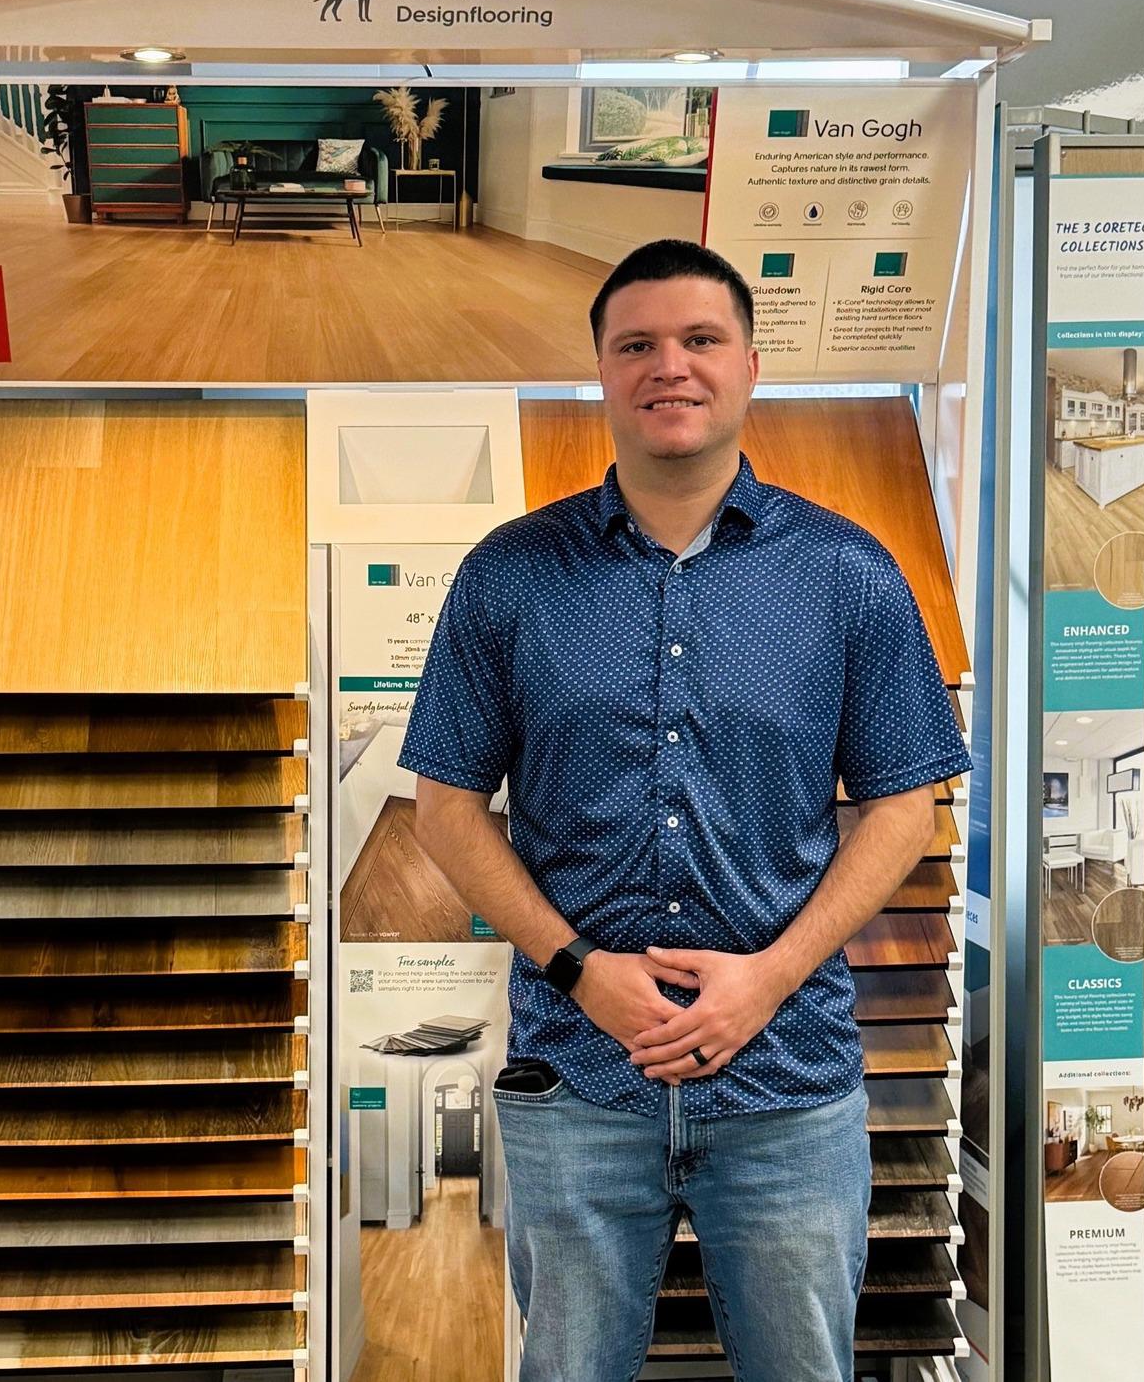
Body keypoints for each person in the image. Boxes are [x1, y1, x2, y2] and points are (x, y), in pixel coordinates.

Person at [397, 238, 971, 1382]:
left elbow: (904, 806)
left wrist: (766, 975)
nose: (671, 366)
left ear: (750, 364)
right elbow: (445, 810)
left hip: (786, 1081)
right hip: (577, 1081)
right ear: (602, 373)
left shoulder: (847, 574)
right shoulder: (509, 575)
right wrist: (578, 972)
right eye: (638, 345)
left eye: (700, 340)